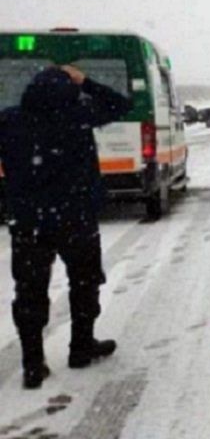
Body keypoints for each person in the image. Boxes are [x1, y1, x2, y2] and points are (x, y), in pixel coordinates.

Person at [0, 65, 132, 390]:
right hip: (76, 218)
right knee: (85, 282)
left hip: (28, 221)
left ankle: (33, 363)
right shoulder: (78, 115)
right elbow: (121, 105)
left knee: (29, 291)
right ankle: (81, 347)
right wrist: (86, 81)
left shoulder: (9, 120)